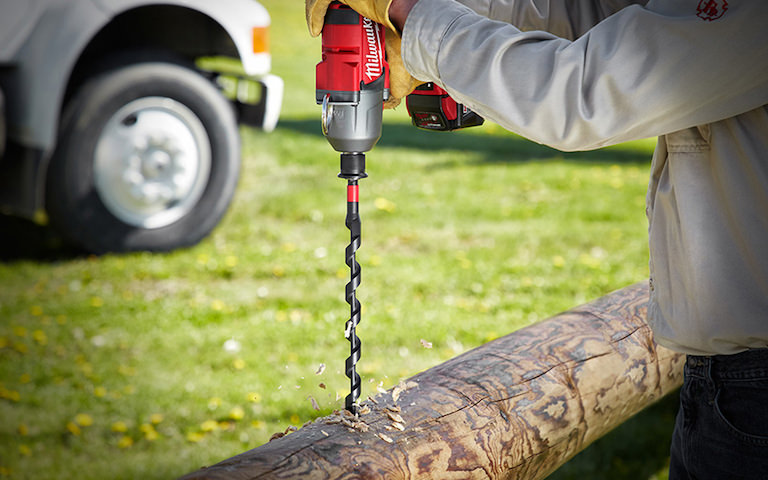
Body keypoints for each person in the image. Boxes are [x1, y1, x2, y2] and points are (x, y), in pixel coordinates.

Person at [307, 0, 768, 477]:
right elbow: (594, 17)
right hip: (725, 384)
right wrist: (447, 6)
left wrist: (411, 15)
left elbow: (579, 95)